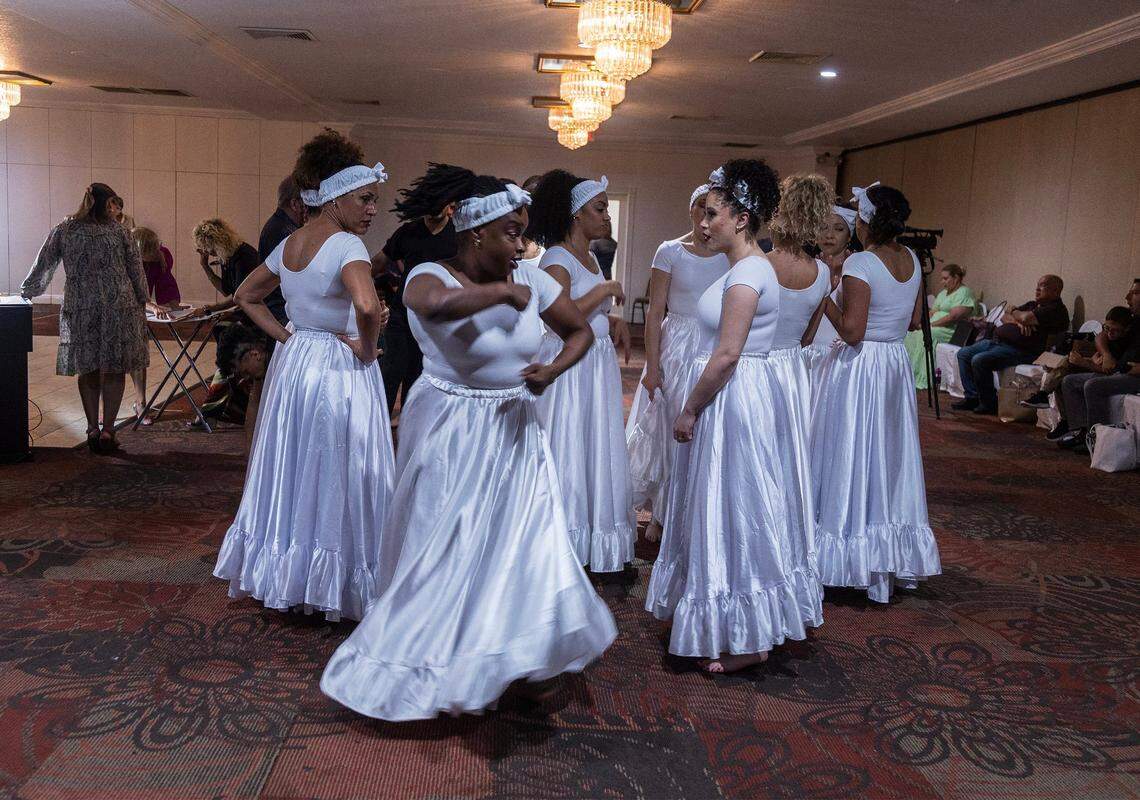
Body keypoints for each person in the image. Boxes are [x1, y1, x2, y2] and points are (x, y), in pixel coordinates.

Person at [321, 170, 616, 721]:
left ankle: (513, 656)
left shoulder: (534, 275)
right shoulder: (430, 273)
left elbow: (580, 332)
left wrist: (551, 370)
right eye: (510, 233)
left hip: (515, 427)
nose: (520, 246)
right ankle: (438, 658)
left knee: (518, 545)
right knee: (447, 546)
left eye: (523, 233)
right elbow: (433, 307)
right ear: (476, 232)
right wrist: (501, 293)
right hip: (450, 428)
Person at [644, 160, 823, 674]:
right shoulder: (744, 268)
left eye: (713, 215)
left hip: (733, 401)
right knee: (723, 509)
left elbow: (727, 356)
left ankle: (750, 638)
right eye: (702, 214)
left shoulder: (747, 274)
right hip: (739, 397)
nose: (702, 224)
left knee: (738, 510)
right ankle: (720, 613)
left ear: (742, 219)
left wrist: (690, 407)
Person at [213, 129, 395, 621]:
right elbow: (365, 305)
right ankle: (336, 577)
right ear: (335, 196)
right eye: (365, 198)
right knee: (340, 465)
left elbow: (246, 296)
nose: (372, 209)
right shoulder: (348, 247)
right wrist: (369, 349)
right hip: (337, 365)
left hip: (297, 364)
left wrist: (286, 337)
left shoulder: (292, 240)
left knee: (294, 462)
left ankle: (288, 572)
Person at [810, 183, 940, 603]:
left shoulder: (862, 264)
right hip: (894, 366)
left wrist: (822, 297)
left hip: (861, 367)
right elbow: (915, 320)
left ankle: (846, 552)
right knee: (887, 457)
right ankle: (885, 553)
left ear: (865, 220)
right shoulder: (913, 261)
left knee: (851, 453)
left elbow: (851, 332)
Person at [527, 170, 635, 573]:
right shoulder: (556, 257)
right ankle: (562, 541)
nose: (607, 217)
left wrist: (615, 321)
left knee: (596, 442)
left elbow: (592, 312)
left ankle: (595, 536)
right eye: (600, 209)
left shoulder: (589, 256)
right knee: (571, 442)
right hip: (572, 364)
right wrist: (605, 291)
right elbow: (560, 316)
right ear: (576, 215)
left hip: (597, 360)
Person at [625, 183, 730, 541]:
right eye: (699, 207)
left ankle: (693, 510)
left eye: (711, 208)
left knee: (704, 428)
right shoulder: (670, 251)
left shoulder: (729, 254)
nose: (704, 215)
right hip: (675, 343)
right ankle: (660, 511)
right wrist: (653, 366)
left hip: (712, 342)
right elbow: (655, 313)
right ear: (690, 209)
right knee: (668, 430)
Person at [20, 182, 149, 454]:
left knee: (88, 366)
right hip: (118, 306)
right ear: (107, 203)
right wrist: (142, 298)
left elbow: (44, 261)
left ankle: (92, 427)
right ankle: (109, 430)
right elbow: (135, 269)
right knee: (115, 367)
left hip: (82, 304)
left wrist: (28, 290)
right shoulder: (119, 232)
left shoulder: (66, 229)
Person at [371, 164, 463, 415]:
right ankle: (379, 431)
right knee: (391, 372)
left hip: (436, 320)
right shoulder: (409, 232)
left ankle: (411, 435)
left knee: (420, 377)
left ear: (450, 205)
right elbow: (376, 264)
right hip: (403, 315)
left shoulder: (457, 237)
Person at [951, 274, 1068, 415]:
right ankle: (972, 397)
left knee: (979, 360)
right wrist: (1018, 321)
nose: (1037, 289)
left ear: (1055, 291)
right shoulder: (1033, 305)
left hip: (1023, 351)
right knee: (963, 354)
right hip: (998, 342)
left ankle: (989, 403)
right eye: (1037, 285)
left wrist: (1017, 314)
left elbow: (1022, 315)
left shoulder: (1055, 310)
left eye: (1043, 286)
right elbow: (1004, 315)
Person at [1053, 287, 1140, 453]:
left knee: (1093, 385)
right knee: (1069, 381)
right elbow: (1101, 335)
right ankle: (1081, 430)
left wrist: (1091, 364)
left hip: (1134, 375)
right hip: (1123, 368)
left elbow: (1120, 367)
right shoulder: (1133, 320)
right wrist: (1105, 353)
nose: (1128, 297)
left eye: (1135, 293)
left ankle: (1096, 437)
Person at [129, 226, 182, 425]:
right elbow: (129, 291)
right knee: (114, 361)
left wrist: (171, 303)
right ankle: (107, 408)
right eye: (149, 249)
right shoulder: (125, 259)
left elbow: (167, 284)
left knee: (140, 354)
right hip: (120, 308)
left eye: (156, 247)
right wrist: (151, 306)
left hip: (140, 309)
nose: (154, 251)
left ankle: (141, 402)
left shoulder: (162, 256)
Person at [803, 204, 857, 379]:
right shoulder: (806, 266)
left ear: (849, 236)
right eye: (823, 227)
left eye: (838, 229)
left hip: (840, 356)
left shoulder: (856, 268)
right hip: (808, 351)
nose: (829, 235)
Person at [903, 263, 977, 389]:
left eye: (946, 278)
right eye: (942, 278)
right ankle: (909, 374)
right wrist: (923, 323)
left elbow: (953, 317)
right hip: (936, 326)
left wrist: (930, 325)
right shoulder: (944, 293)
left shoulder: (964, 292)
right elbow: (933, 311)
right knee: (910, 334)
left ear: (956, 278)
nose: (943, 282)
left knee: (926, 334)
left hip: (952, 330)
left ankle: (925, 377)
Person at [259, 175, 306, 261]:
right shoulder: (284, 233)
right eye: (306, 201)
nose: (309, 209)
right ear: (295, 204)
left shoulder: (277, 226)